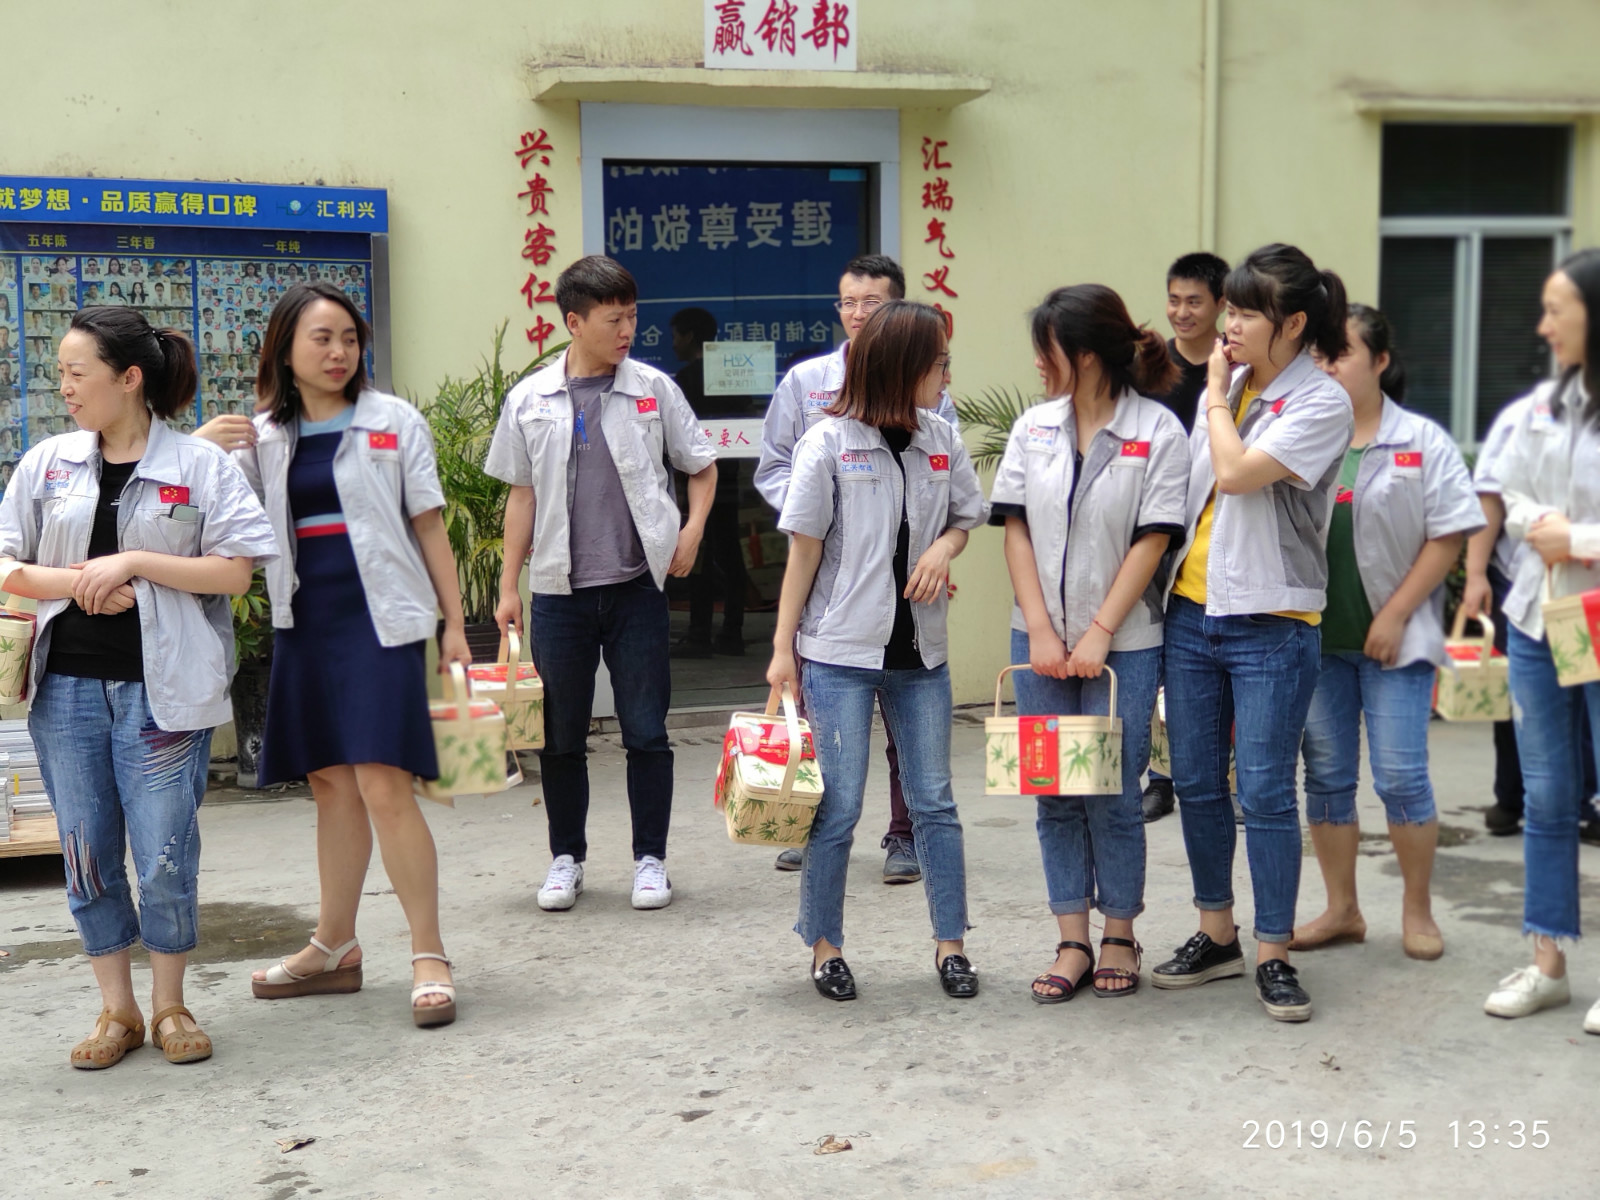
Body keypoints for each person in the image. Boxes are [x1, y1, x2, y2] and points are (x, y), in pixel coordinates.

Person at [0, 306, 275, 1068]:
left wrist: (135, 563)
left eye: (75, 372)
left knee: (164, 852)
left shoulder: (200, 465)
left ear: (128, 378)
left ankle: (170, 1005)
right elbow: (6, 563)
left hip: (165, 693)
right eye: (60, 372)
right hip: (67, 692)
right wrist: (82, 581)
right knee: (86, 850)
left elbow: (235, 571)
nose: (64, 387)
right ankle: (116, 1010)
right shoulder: (47, 464)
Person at [241, 282, 470, 1029]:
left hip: (383, 620)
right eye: (322, 338)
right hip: (305, 619)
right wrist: (207, 447)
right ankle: (335, 945)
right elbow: (227, 518)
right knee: (330, 783)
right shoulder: (262, 436)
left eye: (349, 338)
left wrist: (456, 625)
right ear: (285, 350)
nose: (339, 351)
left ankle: (429, 954)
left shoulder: (392, 420)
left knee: (382, 781)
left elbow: (429, 525)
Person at [1153, 243, 1353, 1023]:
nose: (1228, 325)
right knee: (1198, 783)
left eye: (1244, 313)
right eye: (1228, 310)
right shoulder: (1235, 385)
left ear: (1293, 324)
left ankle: (1274, 951)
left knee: (1265, 791)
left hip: (1272, 620)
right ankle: (1217, 932)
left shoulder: (1319, 402)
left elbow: (1236, 475)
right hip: (1191, 613)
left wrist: (1210, 397)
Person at [768, 299, 985, 1001]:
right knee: (837, 809)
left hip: (921, 655)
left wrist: (945, 549)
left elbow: (965, 516)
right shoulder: (827, 444)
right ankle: (824, 947)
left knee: (935, 804)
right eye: (938, 363)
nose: (946, 375)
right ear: (902, 366)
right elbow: (803, 554)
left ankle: (951, 946)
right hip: (838, 654)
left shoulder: (940, 437)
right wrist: (782, 651)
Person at [487, 256, 717, 913]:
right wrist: (508, 587)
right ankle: (566, 859)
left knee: (646, 730)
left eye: (633, 317)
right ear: (574, 322)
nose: (627, 331)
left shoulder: (653, 389)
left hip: (637, 588)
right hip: (559, 593)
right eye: (614, 320)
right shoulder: (530, 399)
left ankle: (651, 861)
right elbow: (521, 497)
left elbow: (701, 467)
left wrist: (692, 531)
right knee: (561, 736)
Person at [989, 285, 1187, 1001]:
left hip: (1125, 643)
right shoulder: (1032, 427)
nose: (1038, 364)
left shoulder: (1156, 431)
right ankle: (1072, 938)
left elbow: (1153, 539)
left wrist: (1101, 629)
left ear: (1087, 355)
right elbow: (1015, 528)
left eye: (1047, 351)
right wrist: (1041, 627)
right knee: (1055, 791)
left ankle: (1120, 934)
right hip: (1038, 641)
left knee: (1113, 793)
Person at [756, 254, 960, 882]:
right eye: (848, 301)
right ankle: (811, 824)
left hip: (908, 590)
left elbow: (948, 492)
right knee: (826, 728)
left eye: (872, 302)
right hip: (831, 577)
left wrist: (935, 543)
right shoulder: (806, 384)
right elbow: (776, 466)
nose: (858, 313)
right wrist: (825, 514)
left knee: (912, 735)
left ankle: (903, 836)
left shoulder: (935, 401)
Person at [1293, 304, 1481, 960]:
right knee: (1326, 776)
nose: (1327, 366)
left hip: (1396, 644)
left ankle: (1417, 908)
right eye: (1319, 354)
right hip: (1319, 642)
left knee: (1401, 776)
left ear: (1379, 361)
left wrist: (1397, 613)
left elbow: (1449, 534)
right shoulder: (1302, 435)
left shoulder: (1421, 440)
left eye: (1341, 353)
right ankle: (1342, 909)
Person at [1485, 247, 1600, 1030]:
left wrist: (1580, 539)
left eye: (1557, 310)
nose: (1543, 325)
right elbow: (1508, 488)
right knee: (1548, 795)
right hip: (1539, 619)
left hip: (1595, 612)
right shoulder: (1539, 407)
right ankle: (1548, 962)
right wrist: (1540, 524)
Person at [1141, 251, 1232, 823]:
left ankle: (1228, 775)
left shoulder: (1234, 367)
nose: (1181, 312)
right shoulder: (1151, 367)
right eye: (1174, 300)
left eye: (1194, 301)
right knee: (1159, 661)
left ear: (1221, 304)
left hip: (1216, 531)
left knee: (1219, 660)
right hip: (1156, 530)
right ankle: (1160, 776)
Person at [668, 306, 747, 659]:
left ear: (688, 336)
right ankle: (732, 632)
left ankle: (700, 633)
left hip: (695, 479)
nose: (673, 344)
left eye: (675, 336)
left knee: (699, 553)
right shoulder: (732, 376)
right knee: (729, 554)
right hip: (728, 478)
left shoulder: (686, 379)